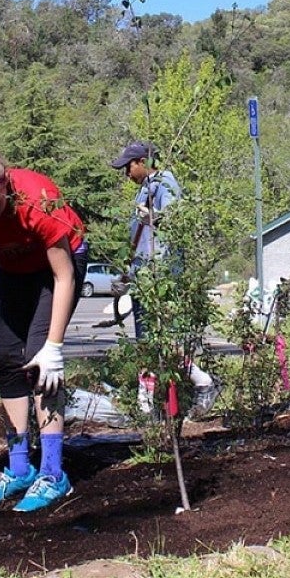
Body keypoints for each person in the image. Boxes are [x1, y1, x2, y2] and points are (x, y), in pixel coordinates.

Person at [0, 144, 87, 512]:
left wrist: (53, 347)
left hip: (60, 266)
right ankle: (20, 466)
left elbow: (64, 275)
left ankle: (54, 473)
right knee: (9, 360)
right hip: (13, 269)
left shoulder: (37, 199)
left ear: (6, 183)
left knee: (38, 358)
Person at [109, 140, 220, 418]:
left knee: (163, 340)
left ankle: (202, 381)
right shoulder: (142, 192)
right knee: (146, 341)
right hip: (144, 278)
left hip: (162, 278)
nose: (126, 174)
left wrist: (151, 216)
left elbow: (173, 221)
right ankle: (146, 404)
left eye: (128, 167)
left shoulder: (164, 182)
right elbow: (140, 241)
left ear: (142, 162)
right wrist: (128, 275)